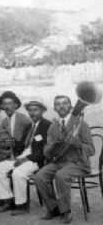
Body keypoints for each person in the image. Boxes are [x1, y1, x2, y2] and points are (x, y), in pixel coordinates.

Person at [34, 96, 94, 224]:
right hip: (59, 162)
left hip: (78, 163)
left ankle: (66, 211)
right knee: (39, 176)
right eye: (58, 104)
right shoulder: (52, 127)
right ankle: (54, 207)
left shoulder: (81, 124)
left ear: (71, 106)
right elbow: (46, 152)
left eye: (65, 103)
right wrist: (53, 146)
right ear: (55, 108)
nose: (61, 106)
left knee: (61, 175)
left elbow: (91, 150)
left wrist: (77, 143)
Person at [0, 101, 51, 215]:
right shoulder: (30, 126)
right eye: (30, 110)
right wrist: (5, 141)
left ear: (42, 111)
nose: (32, 113)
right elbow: (19, 143)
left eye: (35, 110)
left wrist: (25, 159)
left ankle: (22, 206)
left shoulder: (47, 125)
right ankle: (7, 201)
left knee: (18, 173)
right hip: (22, 155)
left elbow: (44, 151)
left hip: (36, 160)